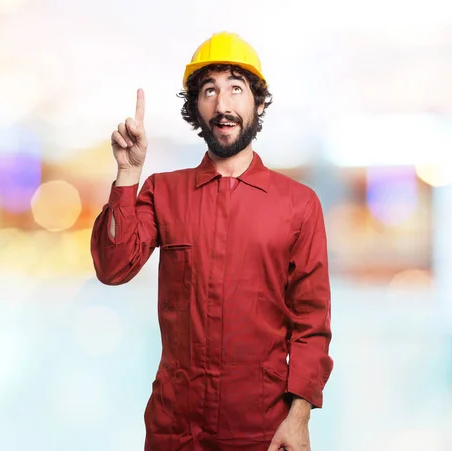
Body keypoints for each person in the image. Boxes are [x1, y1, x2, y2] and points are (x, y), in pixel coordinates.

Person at [90, 31, 333, 451]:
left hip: (261, 430)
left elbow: (312, 323)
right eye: (209, 91)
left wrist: (299, 418)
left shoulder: (299, 205)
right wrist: (128, 174)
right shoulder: (163, 192)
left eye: (236, 89)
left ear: (257, 103)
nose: (223, 105)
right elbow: (114, 268)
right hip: (175, 429)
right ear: (195, 109)